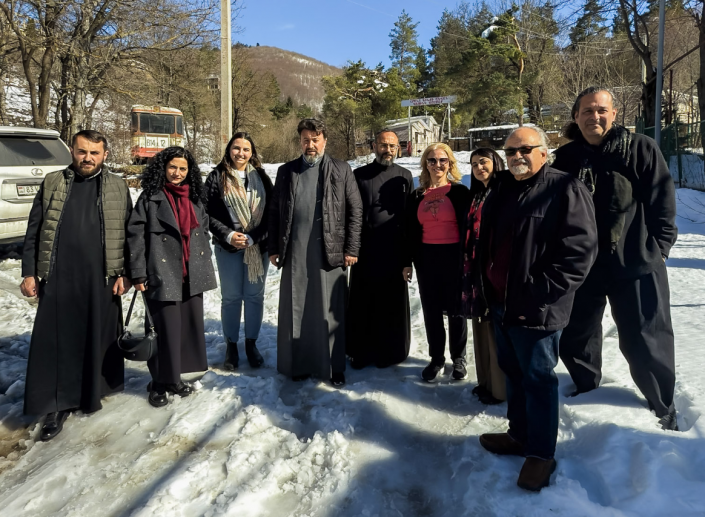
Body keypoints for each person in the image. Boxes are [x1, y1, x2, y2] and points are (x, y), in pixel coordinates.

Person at [478, 127, 597, 491]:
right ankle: (519, 435)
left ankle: (541, 454)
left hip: (536, 308)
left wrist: (540, 292)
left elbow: (579, 252)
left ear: (544, 152)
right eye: (511, 151)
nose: (517, 156)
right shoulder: (502, 188)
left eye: (525, 149)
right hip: (501, 303)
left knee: (538, 381)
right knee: (513, 374)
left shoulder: (565, 188)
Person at [553, 87, 679, 430]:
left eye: (601, 110)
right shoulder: (566, 158)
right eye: (587, 111)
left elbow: (662, 200)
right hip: (583, 264)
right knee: (576, 334)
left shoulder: (640, 148)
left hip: (636, 261)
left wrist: (660, 248)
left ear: (614, 113)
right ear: (576, 116)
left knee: (646, 338)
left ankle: (662, 405)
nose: (594, 116)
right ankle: (586, 387)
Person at [20, 130, 132, 441]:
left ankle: (91, 393)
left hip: (101, 276)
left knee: (96, 336)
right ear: (72, 150)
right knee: (58, 340)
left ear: (105, 154)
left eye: (94, 153)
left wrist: (126, 273)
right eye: (82, 152)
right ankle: (57, 404)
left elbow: (128, 233)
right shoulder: (53, 182)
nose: (88, 158)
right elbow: (35, 230)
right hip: (59, 275)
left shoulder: (118, 185)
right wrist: (29, 272)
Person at [268, 119, 362, 387]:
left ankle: (334, 366)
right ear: (300, 142)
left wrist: (351, 248)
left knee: (330, 311)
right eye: (306, 140)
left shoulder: (341, 169)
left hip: (331, 250)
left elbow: (355, 210)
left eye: (315, 139)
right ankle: (298, 364)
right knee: (297, 307)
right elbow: (275, 211)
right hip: (295, 249)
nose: (310, 145)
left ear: (325, 141)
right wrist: (273, 247)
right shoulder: (286, 171)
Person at [127, 147, 217, 408]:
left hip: (191, 273)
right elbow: (135, 237)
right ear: (163, 168)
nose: (177, 173)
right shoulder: (150, 198)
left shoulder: (195, 198)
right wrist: (138, 272)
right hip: (161, 272)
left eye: (183, 169)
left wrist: (202, 256)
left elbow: (203, 229)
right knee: (162, 329)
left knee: (183, 330)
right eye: (173, 167)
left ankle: (173, 378)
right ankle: (158, 381)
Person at [205, 132, 272, 370]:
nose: (240, 153)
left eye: (246, 149)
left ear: (252, 152)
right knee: (232, 297)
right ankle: (231, 345)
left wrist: (254, 237)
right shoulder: (217, 176)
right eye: (236, 148)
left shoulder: (261, 177)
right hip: (228, 247)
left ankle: (251, 344)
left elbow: (272, 213)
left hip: (258, 246)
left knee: (254, 297)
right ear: (229, 149)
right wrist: (228, 235)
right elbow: (206, 212)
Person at [404, 143, 470, 382]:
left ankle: (459, 358)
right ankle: (436, 358)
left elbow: (470, 227)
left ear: (450, 163)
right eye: (432, 160)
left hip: (454, 256)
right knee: (431, 311)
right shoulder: (417, 195)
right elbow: (409, 231)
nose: (437, 165)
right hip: (426, 258)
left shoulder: (460, 192)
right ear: (426, 164)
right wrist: (407, 261)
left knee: (456, 310)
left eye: (443, 160)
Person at [347, 129, 413, 369]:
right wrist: (351, 248)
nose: (388, 150)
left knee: (391, 304)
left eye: (393, 146)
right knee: (363, 302)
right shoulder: (359, 175)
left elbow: (409, 218)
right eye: (384, 145)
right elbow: (351, 213)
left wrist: (407, 258)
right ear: (374, 146)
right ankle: (361, 352)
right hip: (365, 250)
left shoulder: (405, 176)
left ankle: (390, 351)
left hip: (394, 250)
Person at [462, 148, 506, 404]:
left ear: (496, 162)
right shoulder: (477, 194)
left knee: (494, 329)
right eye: (474, 164)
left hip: (493, 268)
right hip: (474, 268)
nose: (479, 167)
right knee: (480, 324)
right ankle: (486, 382)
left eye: (484, 162)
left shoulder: (503, 192)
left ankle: (500, 389)